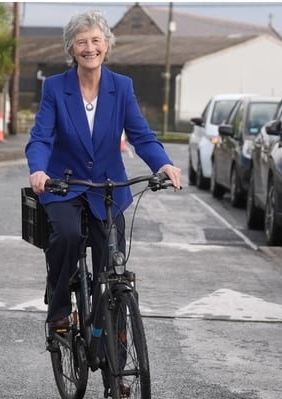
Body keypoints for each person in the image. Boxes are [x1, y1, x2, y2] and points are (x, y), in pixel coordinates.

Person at [26, 11, 182, 334]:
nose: (90, 48)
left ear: (107, 46)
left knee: (113, 269)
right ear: (71, 49)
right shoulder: (56, 89)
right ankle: (59, 309)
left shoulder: (121, 87)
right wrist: (38, 170)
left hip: (107, 188)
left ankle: (112, 352)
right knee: (67, 236)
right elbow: (41, 137)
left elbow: (141, 135)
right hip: (64, 185)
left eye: (96, 40)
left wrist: (163, 164)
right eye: (81, 42)